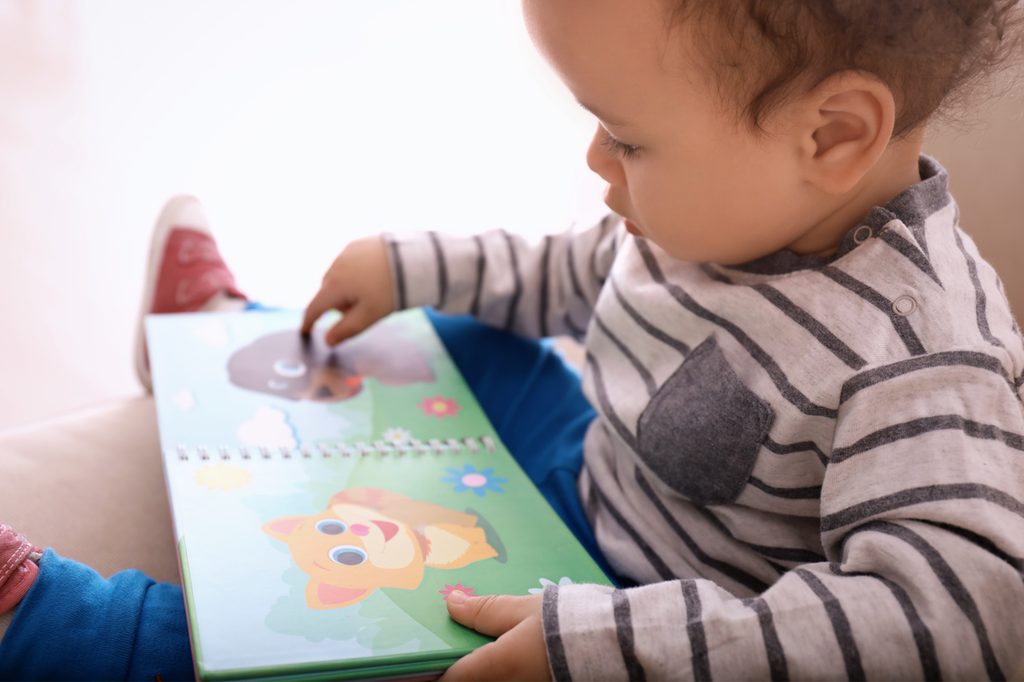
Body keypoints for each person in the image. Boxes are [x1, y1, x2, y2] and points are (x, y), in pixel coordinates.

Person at [3, 0, 1024, 679]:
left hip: (642, 613)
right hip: (589, 467)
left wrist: (608, 645)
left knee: (346, 646)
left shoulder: (923, 358)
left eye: (629, 139)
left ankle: (49, 616)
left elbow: (960, 618)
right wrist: (415, 268)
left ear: (832, 134)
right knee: (465, 337)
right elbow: (570, 274)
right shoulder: (735, 207)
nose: (597, 161)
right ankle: (226, 337)